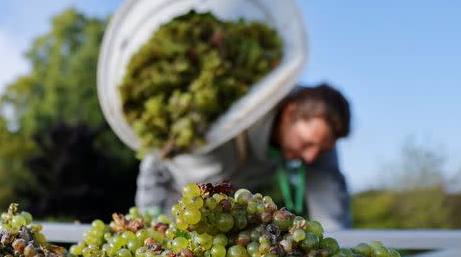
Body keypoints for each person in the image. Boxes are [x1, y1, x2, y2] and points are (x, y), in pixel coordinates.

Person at [135, 84, 352, 231]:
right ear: (289, 112)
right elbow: (157, 157)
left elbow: (330, 208)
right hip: (174, 204)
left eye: (322, 150)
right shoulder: (231, 110)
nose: (311, 156)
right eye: (307, 144)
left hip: (225, 218)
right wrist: (150, 216)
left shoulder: (317, 138)